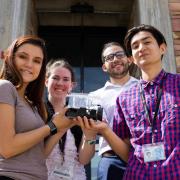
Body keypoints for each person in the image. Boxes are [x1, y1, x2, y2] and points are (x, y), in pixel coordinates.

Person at [80, 24, 180, 179]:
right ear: (133, 58)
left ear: (162, 48)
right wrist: (99, 132)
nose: (141, 48)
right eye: (135, 46)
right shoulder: (122, 99)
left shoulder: (177, 84)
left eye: (147, 42)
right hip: (132, 169)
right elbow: (125, 148)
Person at [0, 35, 74, 180]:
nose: (29, 64)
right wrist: (51, 126)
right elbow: (7, 148)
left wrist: (62, 127)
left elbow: (40, 153)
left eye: (37, 61)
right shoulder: (4, 87)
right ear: (10, 58)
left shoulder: (33, 103)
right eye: (23, 57)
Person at [89, 42, 138, 180]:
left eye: (119, 54)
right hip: (111, 161)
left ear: (129, 59)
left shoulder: (144, 87)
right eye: (109, 57)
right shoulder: (94, 96)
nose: (115, 59)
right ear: (104, 67)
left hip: (144, 157)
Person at [45, 59, 97, 180]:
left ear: (72, 85)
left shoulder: (78, 114)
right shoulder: (37, 112)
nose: (60, 83)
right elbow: (39, 155)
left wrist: (90, 136)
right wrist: (61, 127)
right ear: (46, 81)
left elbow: (84, 160)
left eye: (65, 79)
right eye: (55, 78)